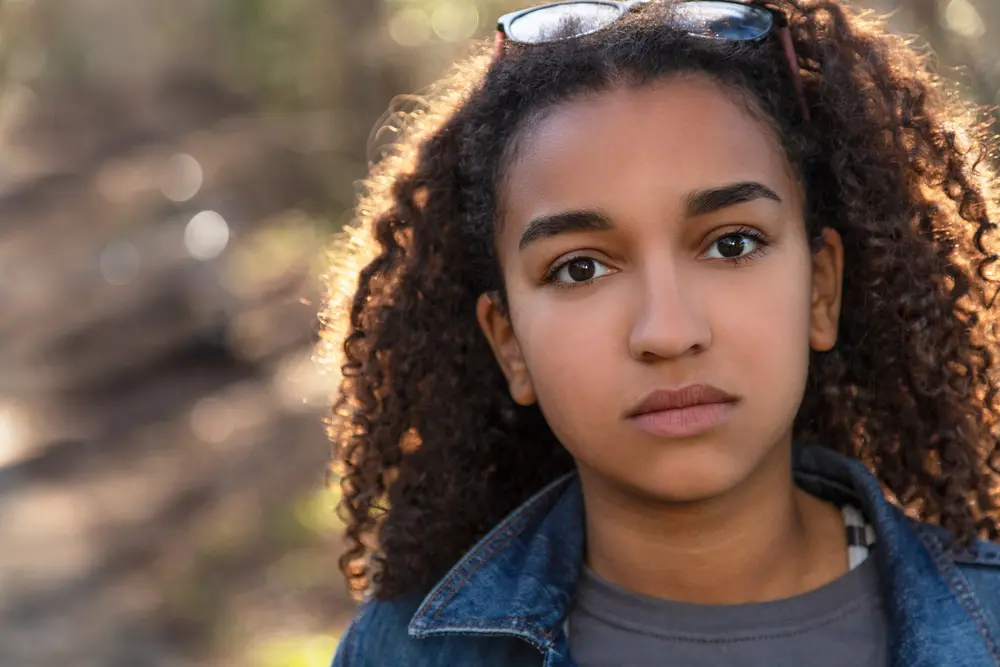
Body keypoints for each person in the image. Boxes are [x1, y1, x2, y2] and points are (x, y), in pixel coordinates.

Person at [324, 1, 1000, 665]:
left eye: (732, 244)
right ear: (509, 343)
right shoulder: (400, 653)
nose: (669, 332)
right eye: (579, 267)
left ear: (820, 288)